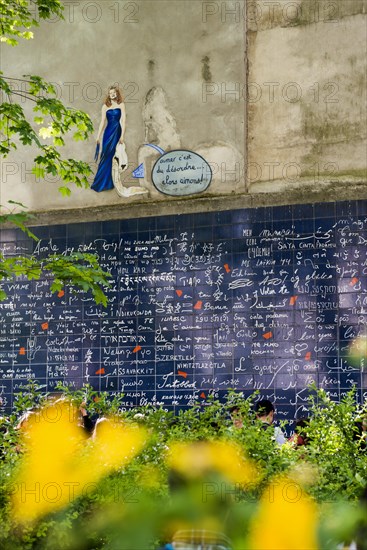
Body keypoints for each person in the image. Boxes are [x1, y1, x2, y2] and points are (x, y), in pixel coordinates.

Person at [91, 85, 126, 192]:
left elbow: (124, 121)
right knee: (106, 155)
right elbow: (102, 122)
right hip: (108, 132)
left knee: (112, 155)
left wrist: (122, 136)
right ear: (109, 95)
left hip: (117, 131)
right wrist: (98, 136)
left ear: (117, 93)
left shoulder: (121, 105)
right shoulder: (105, 106)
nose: (112, 95)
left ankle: (110, 182)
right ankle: (100, 182)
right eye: (110, 93)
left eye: (114, 93)